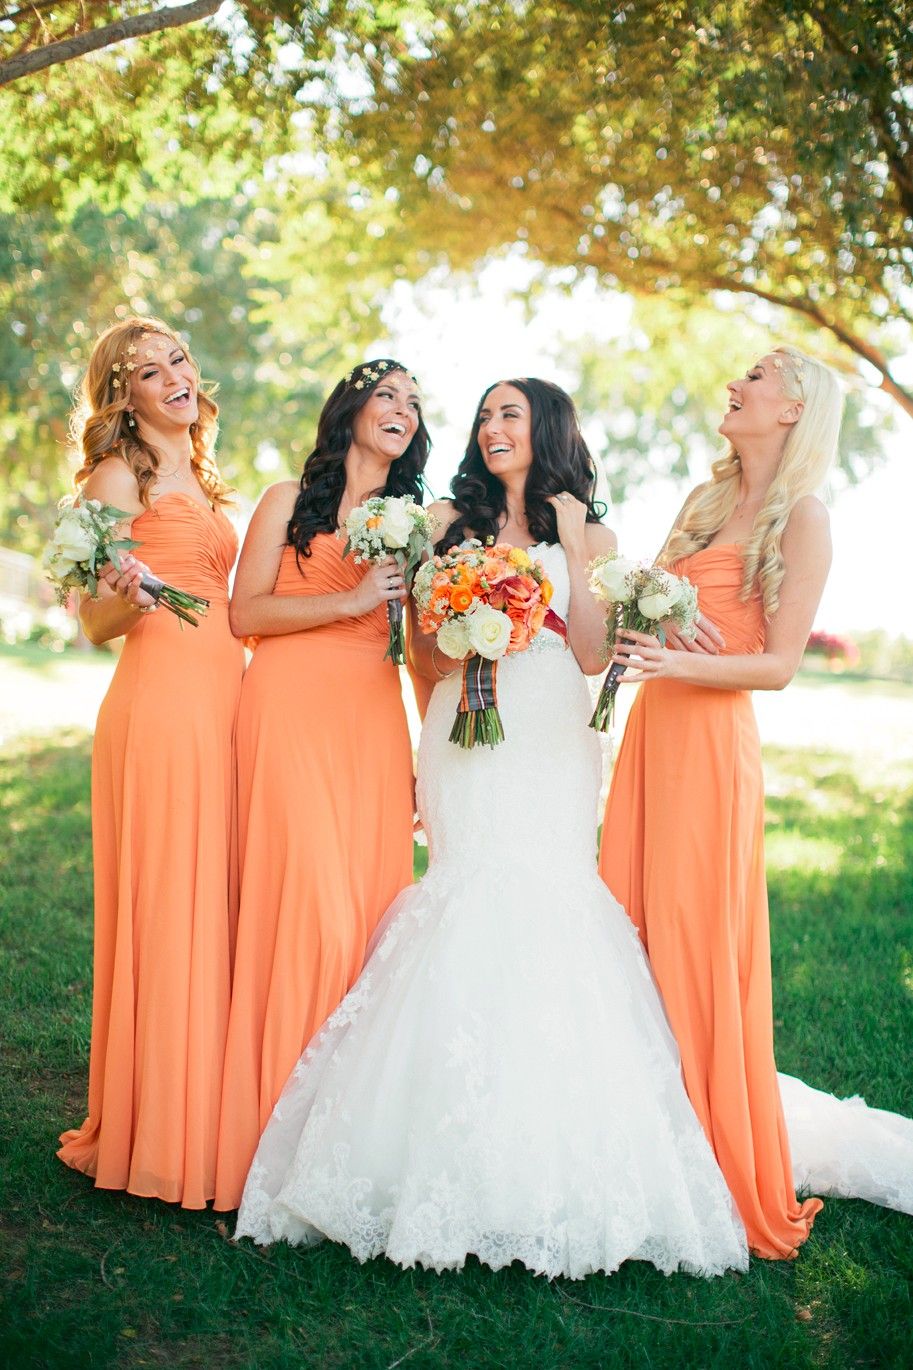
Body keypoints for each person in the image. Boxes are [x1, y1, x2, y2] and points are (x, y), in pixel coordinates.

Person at [233, 378, 749, 1279]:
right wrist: (470, 630)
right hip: (460, 726)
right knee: (461, 894)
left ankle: (553, 1153)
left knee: (548, 895)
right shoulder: (443, 523)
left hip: (547, 724)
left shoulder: (592, 532)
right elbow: (424, 654)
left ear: (545, 428)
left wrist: (576, 541)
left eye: (510, 413)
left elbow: (590, 652)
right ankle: (418, 1152)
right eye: (483, 415)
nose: (491, 427)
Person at [599, 344, 913, 1256]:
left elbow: (776, 666)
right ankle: (631, 1127)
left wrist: (678, 657)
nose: (736, 381)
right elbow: (635, 615)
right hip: (653, 732)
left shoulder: (803, 518)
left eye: (760, 375)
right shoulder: (699, 506)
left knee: (695, 937)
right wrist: (643, 630)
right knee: (632, 925)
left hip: (708, 747)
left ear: (791, 409)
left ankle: (708, 1135)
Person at [213, 360, 430, 1211]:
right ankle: (259, 1135)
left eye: (414, 404)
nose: (403, 411)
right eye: (389, 395)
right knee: (307, 910)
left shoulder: (411, 522)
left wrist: (425, 753)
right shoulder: (282, 500)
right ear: (349, 409)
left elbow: (412, 648)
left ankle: (340, 1145)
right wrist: (345, 605)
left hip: (373, 723)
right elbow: (245, 615)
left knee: (369, 914)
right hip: (290, 708)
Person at [58, 316, 244, 1208]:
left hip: (225, 700)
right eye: (145, 369)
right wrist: (126, 597)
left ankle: (204, 1102)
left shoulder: (203, 480)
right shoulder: (115, 475)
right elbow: (91, 620)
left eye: (177, 356)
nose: (171, 373)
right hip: (162, 703)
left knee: (212, 895)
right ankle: (160, 1125)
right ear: (122, 397)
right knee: (171, 896)